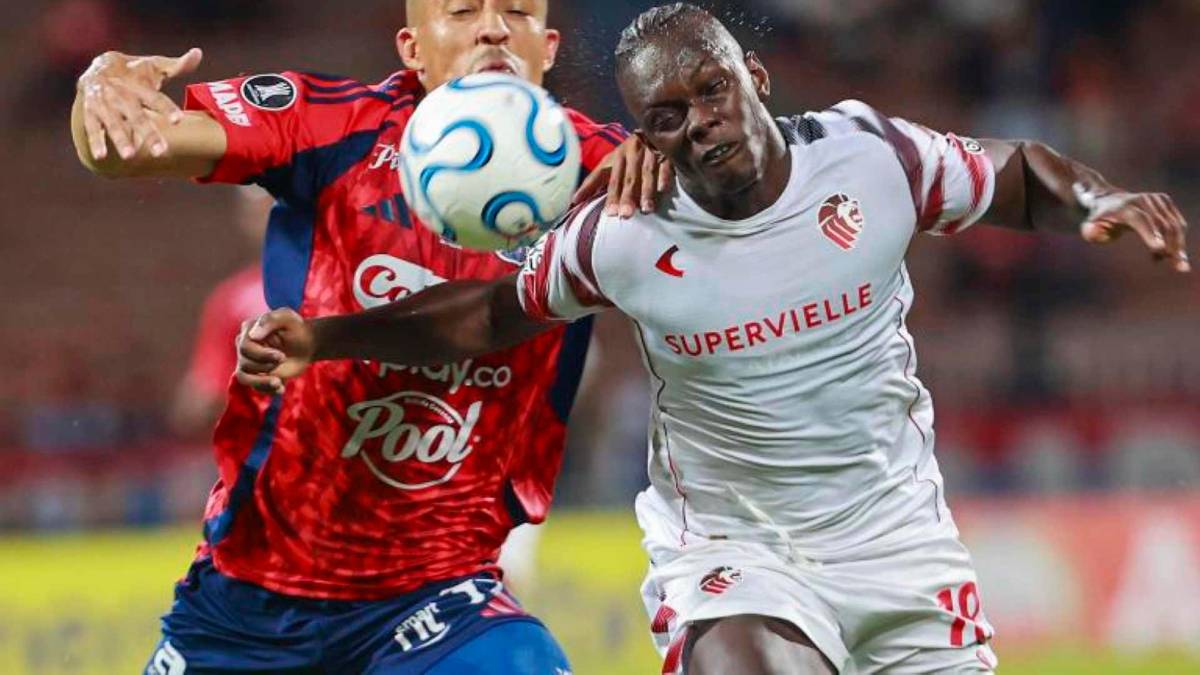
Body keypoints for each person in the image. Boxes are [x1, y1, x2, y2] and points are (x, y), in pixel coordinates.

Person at [234, 4, 1191, 674]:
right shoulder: (621, 234)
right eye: (665, 117)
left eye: (711, 91)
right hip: (737, 551)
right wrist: (325, 335)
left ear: (754, 78)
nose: (699, 124)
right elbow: (487, 314)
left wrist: (1098, 199)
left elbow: (1012, 174)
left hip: (898, 541)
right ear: (643, 137)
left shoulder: (872, 157)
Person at [70, 1, 667, 672]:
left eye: (518, 12)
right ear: (411, 49)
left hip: (441, 594)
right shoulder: (333, 124)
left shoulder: (605, 169)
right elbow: (121, 147)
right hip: (251, 599)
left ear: (550, 46)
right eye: (462, 11)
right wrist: (102, 85)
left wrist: (680, 152)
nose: (494, 28)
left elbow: (736, 203)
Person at [169, 186, 271, 440]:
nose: (269, 219)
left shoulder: (334, 281)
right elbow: (207, 390)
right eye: (260, 211)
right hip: (270, 446)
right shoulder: (233, 299)